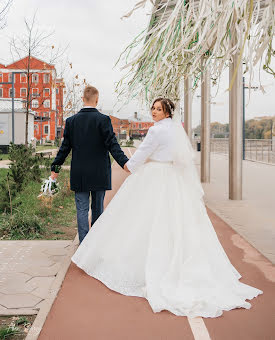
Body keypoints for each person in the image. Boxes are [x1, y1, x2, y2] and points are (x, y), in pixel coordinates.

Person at [71, 97, 263, 318]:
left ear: (167, 112)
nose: (154, 112)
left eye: (158, 109)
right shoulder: (175, 129)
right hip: (174, 178)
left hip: (155, 176)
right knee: (175, 222)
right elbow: (181, 158)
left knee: (142, 219)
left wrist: (128, 165)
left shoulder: (156, 131)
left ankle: (145, 264)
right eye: (153, 108)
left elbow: (141, 155)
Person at [50, 85, 129, 244]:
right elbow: (112, 145)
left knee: (82, 209)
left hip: (80, 173)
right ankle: (95, 244)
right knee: (98, 208)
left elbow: (64, 148)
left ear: (82, 99)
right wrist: (125, 163)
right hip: (100, 173)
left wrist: (55, 170)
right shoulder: (103, 120)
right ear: (97, 100)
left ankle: (84, 244)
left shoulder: (71, 122)